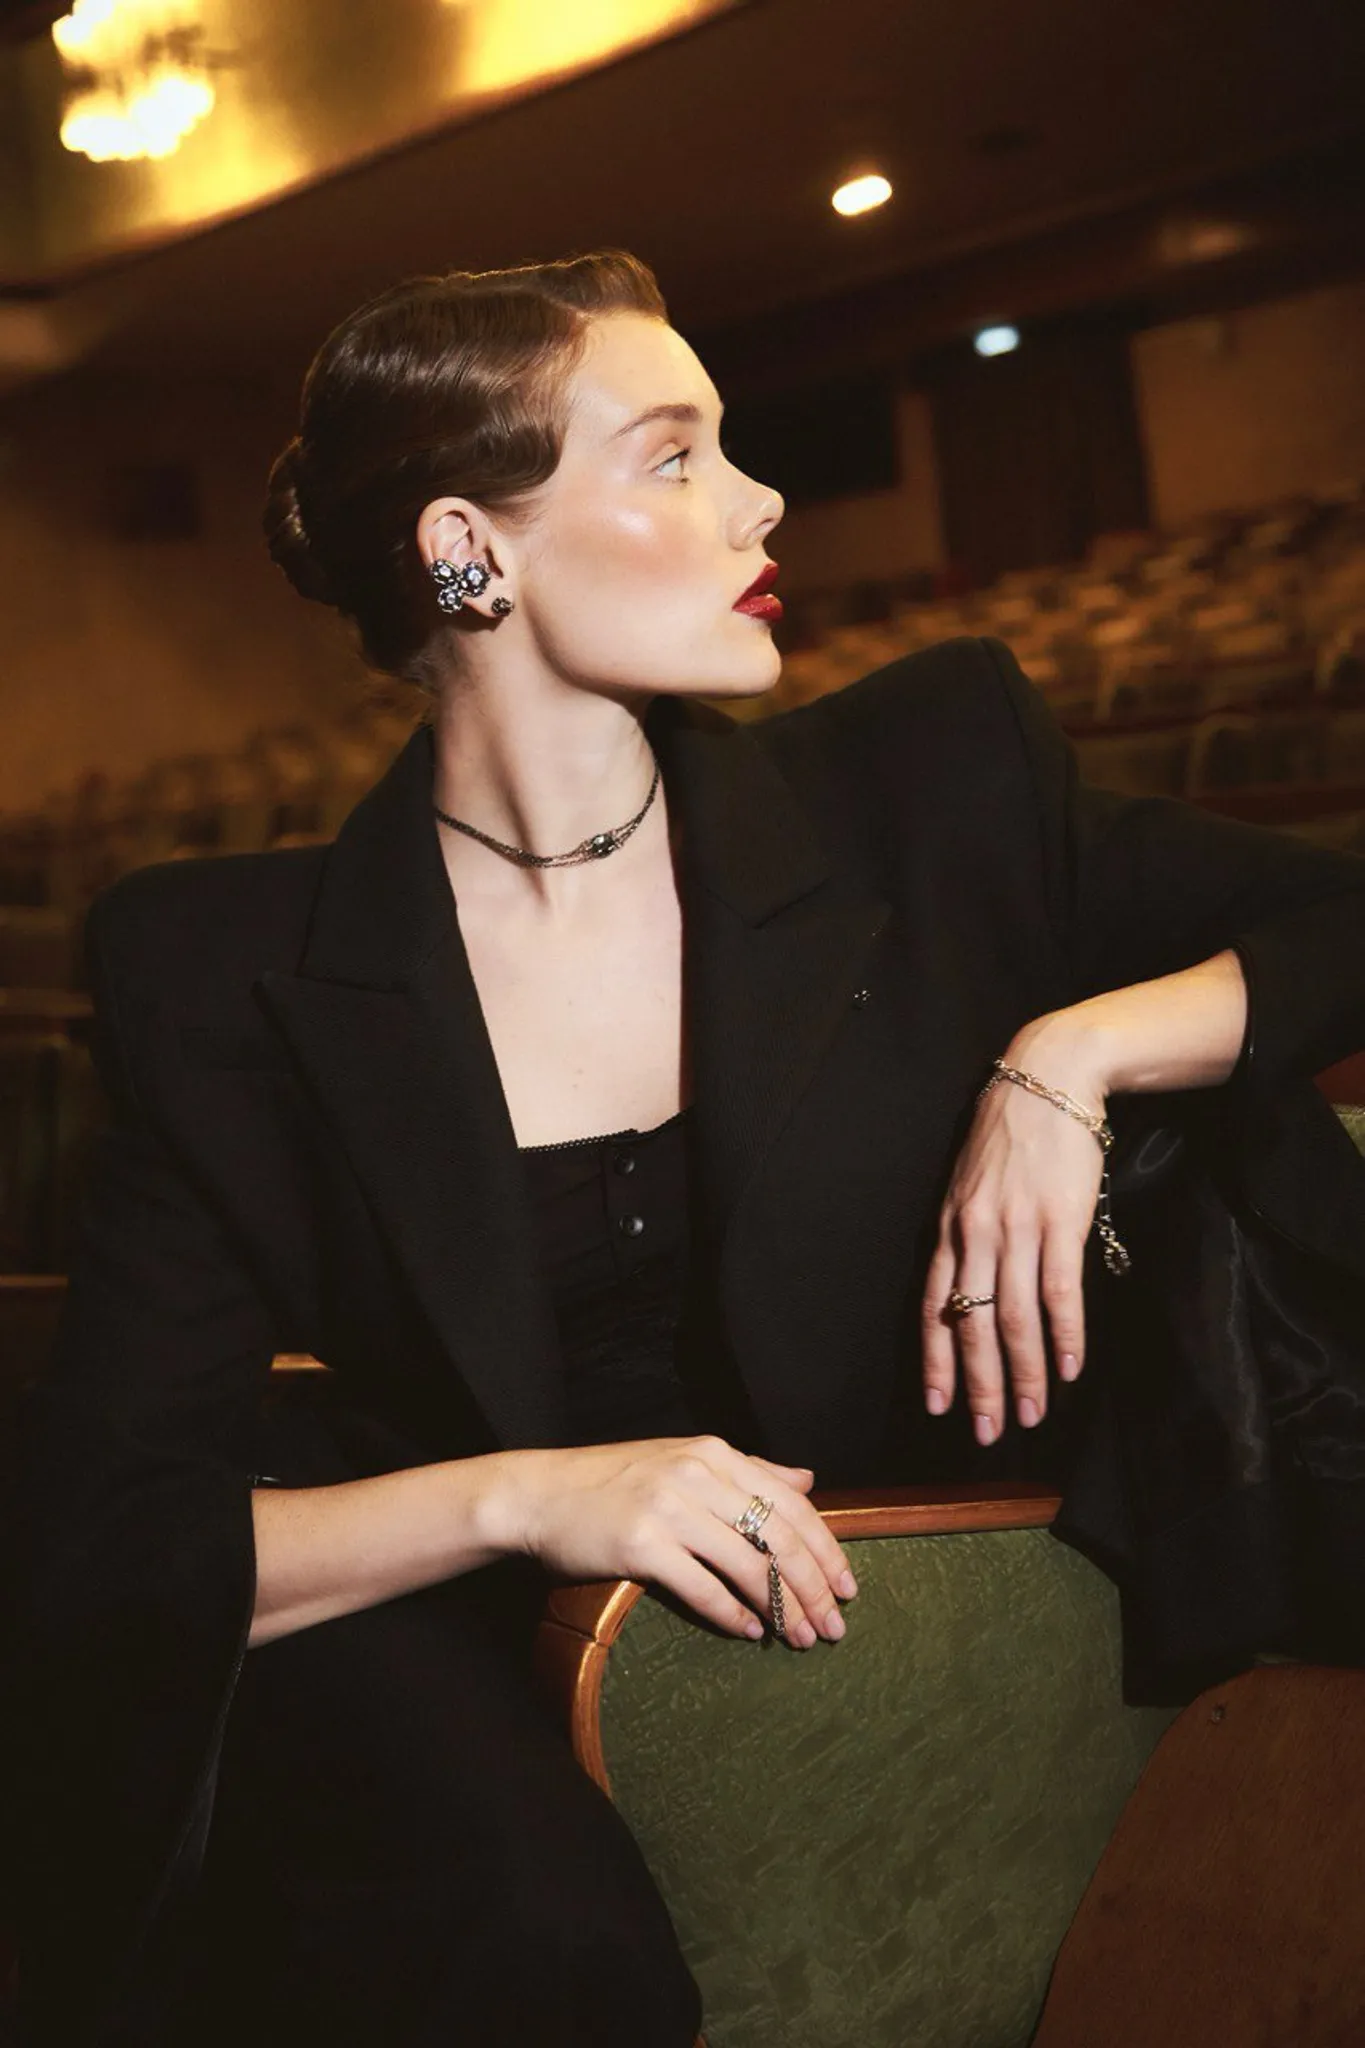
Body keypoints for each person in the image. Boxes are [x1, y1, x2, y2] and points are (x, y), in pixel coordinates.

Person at [11, 248, 1365, 2047]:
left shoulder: (932, 778)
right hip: (455, 1632)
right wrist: (531, 1495)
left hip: (906, 1612)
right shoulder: (218, 967)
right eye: (672, 454)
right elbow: (103, 1541)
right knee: (537, 1948)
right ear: (465, 552)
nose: (759, 498)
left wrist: (1069, 1058)